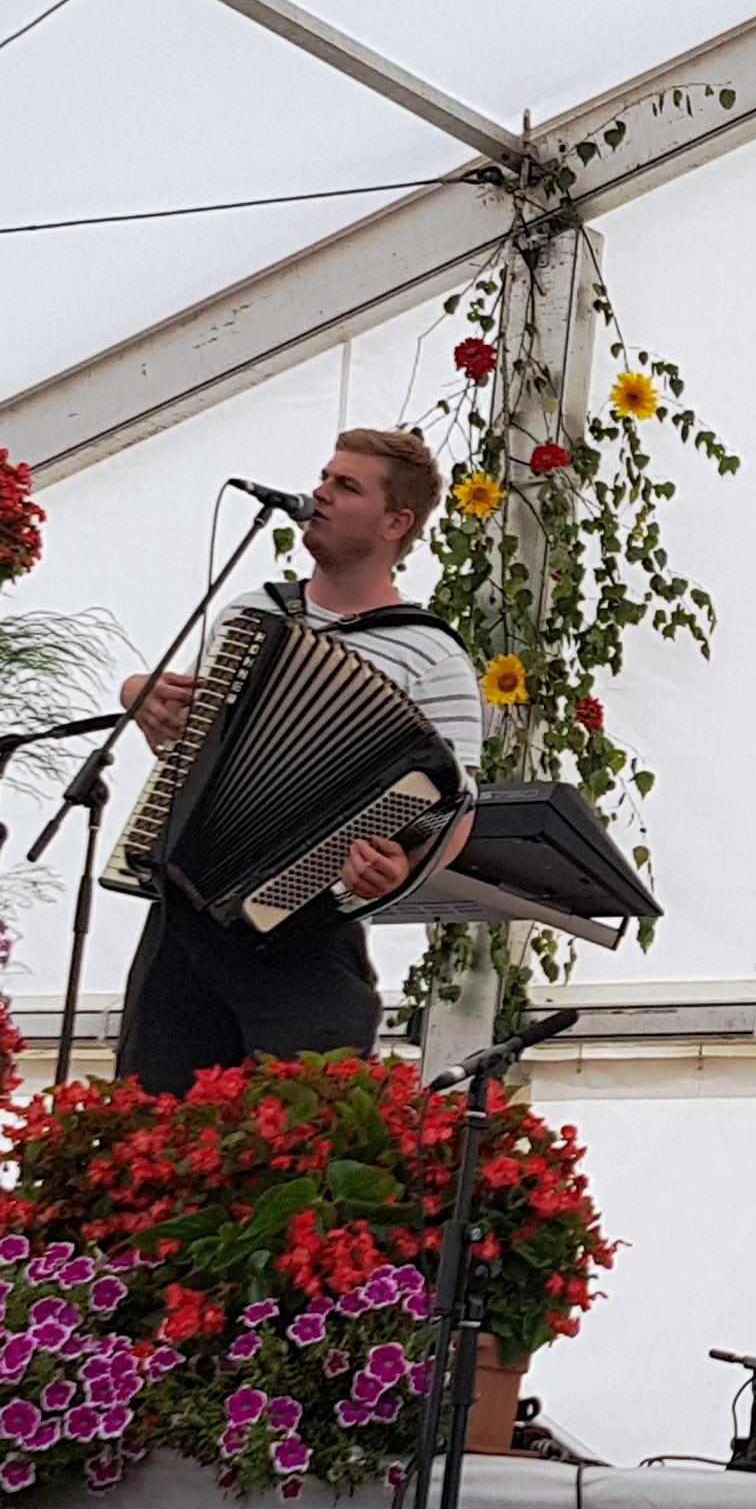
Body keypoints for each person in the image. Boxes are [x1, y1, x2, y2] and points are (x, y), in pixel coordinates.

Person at [118, 427, 483, 1093]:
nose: (321, 493)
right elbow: (189, 745)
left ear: (396, 523)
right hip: (183, 917)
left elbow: (456, 811)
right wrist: (141, 697)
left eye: (347, 486)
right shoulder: (251, 613)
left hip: (308, 929)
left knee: (297, 1129)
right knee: (153, 1122)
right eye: (324, 477)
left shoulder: (432, 655)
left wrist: (403, 869)